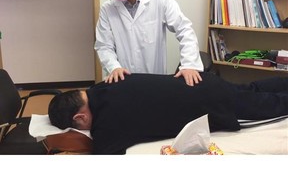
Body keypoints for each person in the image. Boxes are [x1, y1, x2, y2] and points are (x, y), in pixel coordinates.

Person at [48, 72, 288, 154]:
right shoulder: (103, 85)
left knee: (272, 107)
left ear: (80, 118)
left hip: (215, 104)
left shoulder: (107, 124)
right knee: (252, 90)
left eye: (78, 127)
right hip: (204, 82)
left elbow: (103, 155)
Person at [95, 0, 204, 86]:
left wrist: (189, 64)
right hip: (123, 83)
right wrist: (114, 67)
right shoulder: (107, 9)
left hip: (155, 80)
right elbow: (104, 46)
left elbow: (185, 30)